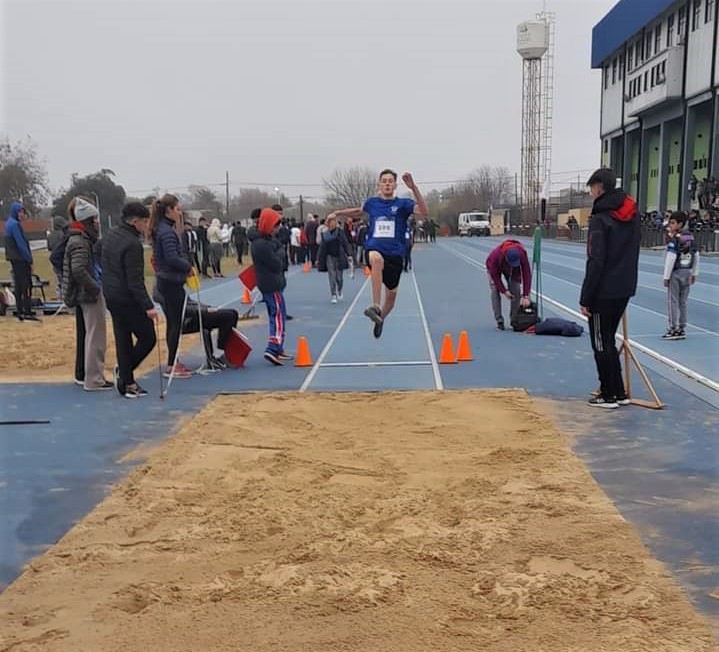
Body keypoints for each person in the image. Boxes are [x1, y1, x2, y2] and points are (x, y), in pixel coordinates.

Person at [328, 169, 428, 338]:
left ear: (395, 185)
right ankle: (375, 305)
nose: (387, 183)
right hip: (375, 248)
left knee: (390, 300)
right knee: (376, 259)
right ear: (379, 185)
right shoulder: (372, 203)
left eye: (390, 181)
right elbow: (358, 212)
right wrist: (338, 213)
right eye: (384, 181)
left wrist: (414, 188)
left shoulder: (404, 204)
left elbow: (424, 212)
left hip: (395, 255)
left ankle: (380, 318)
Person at [579, 168, 640, 409]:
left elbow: (596, 260)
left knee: (600, 342)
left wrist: (586, 297)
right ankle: (619, 391)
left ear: (599, 187)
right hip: (624, 286)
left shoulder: (600, 219)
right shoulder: (632, 214)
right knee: (608, 338)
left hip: (603, 290)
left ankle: (608, 394)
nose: (591, 193)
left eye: (592, 188)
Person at [102, 202, 158, 398]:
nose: (146, 227)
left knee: (123, 339)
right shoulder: (132, 244)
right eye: (144, 222)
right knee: (148, 338)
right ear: (135, 222)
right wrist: (148, 306)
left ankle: (128, 382)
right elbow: (135, 280)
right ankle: (125, 373)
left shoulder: (110, 235)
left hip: (111, 294)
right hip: (127, 297)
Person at [63, 197, 112, 390]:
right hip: (88, 294)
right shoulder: (80, 241)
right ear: (88, 221)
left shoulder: (79, 239)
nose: (98, 223)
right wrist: (95, 287)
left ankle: (92, 376)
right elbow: (78, 269)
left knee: (92, 335)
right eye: (95, 219)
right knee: (95, 336)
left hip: (86, 292)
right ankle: (94, 379)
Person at [149, 194, 193, 379]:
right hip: (170, 282)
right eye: (177, 209)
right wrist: (188, 267)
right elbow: (171, 258)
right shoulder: (166, 232)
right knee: (175, 324)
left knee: (174, 323)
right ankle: (171, 364)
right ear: (168, 210)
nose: (180, 212)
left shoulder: (164, 229)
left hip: (169, 281)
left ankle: (173, 361)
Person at [153, 285, 239, 370]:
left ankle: (223, 353)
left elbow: (189, 302)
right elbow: (180, 309)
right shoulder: (163, 286)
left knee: (233, 313)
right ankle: (220, 354)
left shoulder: (172, 283)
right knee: (229, 316)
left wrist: (206, 307)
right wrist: (204, 310)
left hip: (194, 315)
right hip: (188, 320)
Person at [250, 207, 292, 366]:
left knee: (278, 313)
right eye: (275, 225)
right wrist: (280, 254)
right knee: (278, 315)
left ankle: (278, 347)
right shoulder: (261, 245)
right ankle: (272, 347)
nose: (278, 228)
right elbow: (276, 264)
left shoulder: (268, 242)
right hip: (270, 283)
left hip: (272, 282)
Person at [662, 211, 699, 340]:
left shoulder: (675, 239)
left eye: (672, 223)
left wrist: (666, 276)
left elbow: (671, 258)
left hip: (676, 272)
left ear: (680, 224)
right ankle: (682, 327)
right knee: (683, 301)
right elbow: (696, 256)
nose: (670, 225)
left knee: (673, 300)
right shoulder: (691, 238)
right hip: (687, 272)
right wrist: (694, 273)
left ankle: (673, 328)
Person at [485, 239, 532, 331]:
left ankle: (514, 319)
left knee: (516, 290)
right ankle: (499, 320)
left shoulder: (522, 253)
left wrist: (526, 295)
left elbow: (526, 273)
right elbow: (495, 277)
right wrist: (504, 291)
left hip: (513, 271)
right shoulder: (495, 256)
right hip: (495, 268)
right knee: (495, 290)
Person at [3, 201, 38, 321]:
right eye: (20, 211)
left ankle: (19, 311)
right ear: (15, 212)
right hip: (21, 260)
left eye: (23, 211)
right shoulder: (15, 225)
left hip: (14, 259)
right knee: (26, 285)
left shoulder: (8, 224)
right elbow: (21, 244)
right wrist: (29, 260)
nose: (22, 214)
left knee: (18, 286)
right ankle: (27, 312)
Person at [317, 214, 352, 303]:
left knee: (339, 278)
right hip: (329, 256)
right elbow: (322, 246)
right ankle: (333, 295)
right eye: (330, 222)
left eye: (334, 222)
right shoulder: (325, 234)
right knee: (332, 276)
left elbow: (345, 243)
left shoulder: (340, 232)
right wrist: (318, 258)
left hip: (339, 256)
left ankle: (339, 290)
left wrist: (349, 254)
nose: (332, 224)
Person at [47, 216, 69, 298]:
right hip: (63, 259)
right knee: (66, 280)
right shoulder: (64, 234)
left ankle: (59, 296)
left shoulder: (50, 236)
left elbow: (49, 248)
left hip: (54, 261)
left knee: (58, 280)